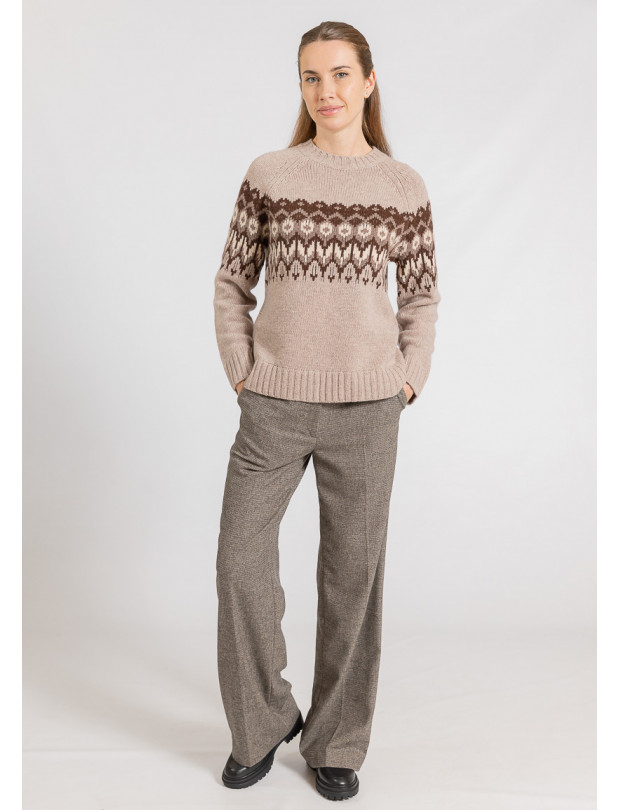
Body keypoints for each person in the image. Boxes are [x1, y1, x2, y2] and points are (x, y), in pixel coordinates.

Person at [212, 20, 440, 801]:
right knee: (239, 564)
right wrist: (243, 372)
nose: (326, 91)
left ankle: (336, 741)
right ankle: (263, 720)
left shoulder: (402, 186)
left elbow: (422, 296)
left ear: (369, 81)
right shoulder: (270, 174)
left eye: (340, 74)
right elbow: (231, 282)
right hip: (273, 404)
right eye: (311, 77)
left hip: (368, 409)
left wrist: (408, 378)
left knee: (353, 580)